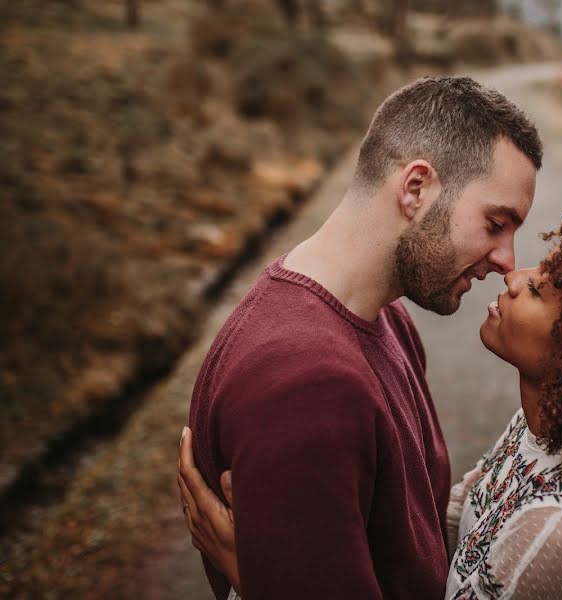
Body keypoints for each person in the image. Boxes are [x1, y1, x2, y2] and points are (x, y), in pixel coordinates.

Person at [180, 193, 562, 599]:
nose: (514, 275)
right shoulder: (544, 435)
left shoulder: (561, 539)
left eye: (543, 289)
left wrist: (258, 577)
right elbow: (448, 531)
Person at [179, 75, 542, 600]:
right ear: (415, 188)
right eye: (495, 223)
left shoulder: (390, 317)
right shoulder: (307, 390)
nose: (508, 260)